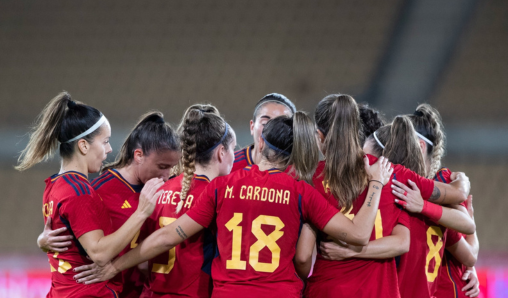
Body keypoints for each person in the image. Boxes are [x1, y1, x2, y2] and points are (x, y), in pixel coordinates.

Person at [76, 112, 394, 298]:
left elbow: (166, 236)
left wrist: (114, 266)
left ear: (259, 144)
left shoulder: (223, 188)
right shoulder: (301, 193)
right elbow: (356, 234)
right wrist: (376, 182)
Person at [17, 92, 163, 297]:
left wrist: (42, 241)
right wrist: (141, 212)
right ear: (83, 145)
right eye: (105, 141)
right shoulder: (79, 192)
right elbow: (100, 253)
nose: (109, 149)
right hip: (87, 292)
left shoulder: (54, 184)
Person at [38, 111, 180, 298]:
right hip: (103, 290)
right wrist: (43, 240)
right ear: (138, 155)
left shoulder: (173, 188)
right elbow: (80, 239)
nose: (168, 174)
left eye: (172, 167)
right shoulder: (95, 191)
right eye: (162, 167)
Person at [300, 94, 410, 298]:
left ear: (320, 135)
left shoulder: (312, 179)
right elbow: (402, 242)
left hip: (329, 289)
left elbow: (303, 256)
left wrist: (350, 251)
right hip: (380, 291)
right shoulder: (387, 171)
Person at [139, 104, 235, 298]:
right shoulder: (216, 196)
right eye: (233, 148)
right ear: (221, 152)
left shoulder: (158, 190)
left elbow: (142, 263)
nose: (235, 155)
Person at [389, 104, 480, 297]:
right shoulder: (401, 184)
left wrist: (423, 206)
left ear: (420, 146)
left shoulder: (441, 184)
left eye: (399, 142)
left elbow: (469, 252)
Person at [232, 93, 295, 172]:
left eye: (281, 126)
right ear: (252, 127)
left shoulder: (299, 171)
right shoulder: (228, 164)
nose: (272, 131)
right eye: (265, 123)